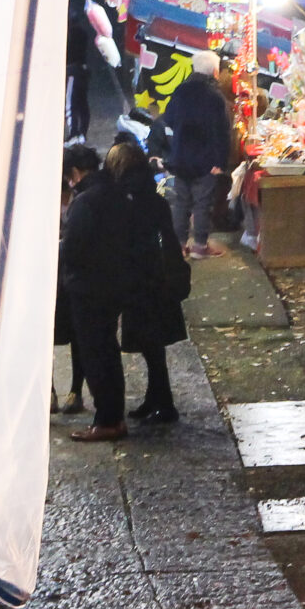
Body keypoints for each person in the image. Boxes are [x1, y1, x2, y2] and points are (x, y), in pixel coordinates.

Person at [60, 133, 144, 442]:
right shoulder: (114, 193)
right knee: (107, 351)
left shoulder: (86, 201)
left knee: (96, 354)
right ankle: (111, 416)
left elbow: (73, 249)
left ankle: (107, 420)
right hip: (113, 284)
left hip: (89, 289)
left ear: (74, 173)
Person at [107, 139, 189, 426]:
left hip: (143, 282)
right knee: (154, 347)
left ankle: (163, 402)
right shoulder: (153, 198)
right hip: (159, 280)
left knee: (150, 346)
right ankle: (156, 398)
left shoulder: (128, 201)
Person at [149, 54, 234, 260]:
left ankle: (178, 245)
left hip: (179, 158)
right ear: (215, 72)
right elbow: (223, 132)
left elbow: (168, 119)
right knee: (202, 203)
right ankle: (199, 246)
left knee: (181, 203)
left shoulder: (180, 92)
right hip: (205, 161)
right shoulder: (215, 97)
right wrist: (220, 163)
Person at [54, 143, 103, 416]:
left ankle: (75, 390)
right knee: (53, 330)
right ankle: (49, 390)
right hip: (63, 272)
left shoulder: (82, 198)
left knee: (75, 332)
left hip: (72, 273)